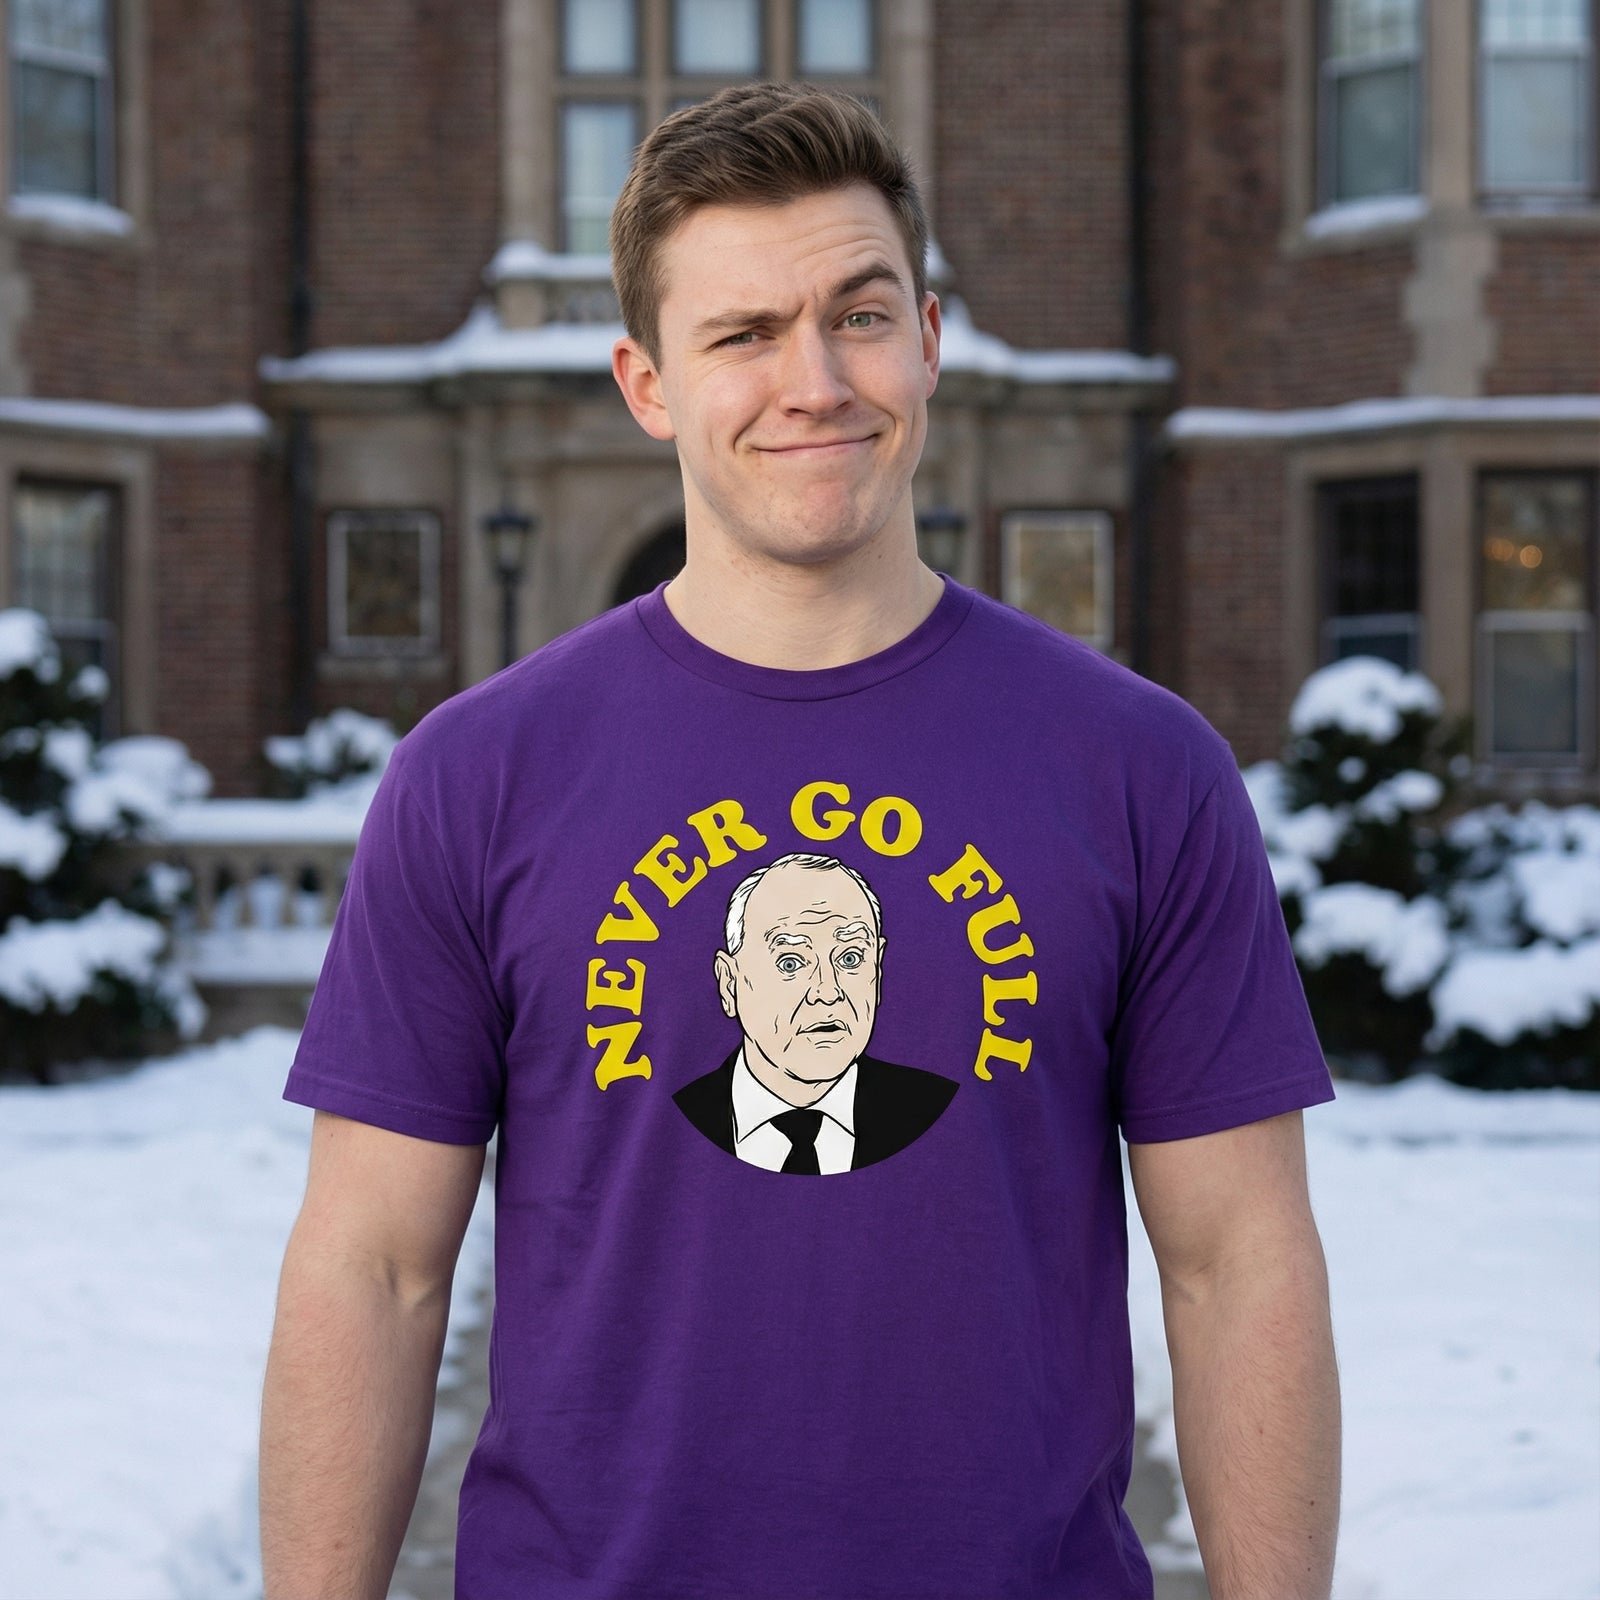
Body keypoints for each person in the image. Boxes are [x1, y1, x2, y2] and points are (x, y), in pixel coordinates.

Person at [260, 82, 1340, 1600]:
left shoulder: (1140, 769)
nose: (815, 379)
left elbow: (1238, 1265)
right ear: (647, 382)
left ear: (932, 339)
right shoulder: (479, 778)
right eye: (743, 333)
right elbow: (373, 1272)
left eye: (860, 312)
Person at [673, 850, 959, 1172]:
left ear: (876, 968)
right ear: (730, 983)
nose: (827, 992)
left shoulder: (933, 1109)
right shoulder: (673, 1115)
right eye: (791, 963)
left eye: (850, 958)